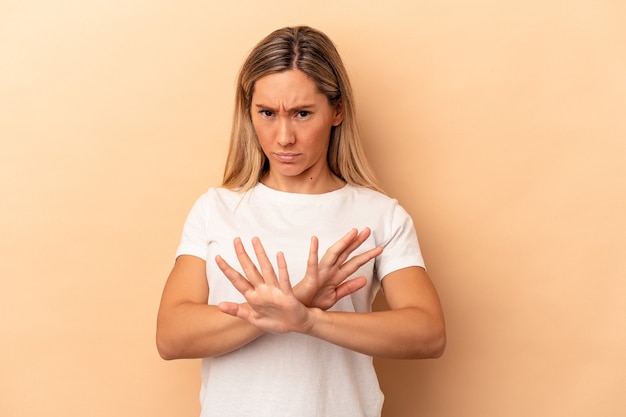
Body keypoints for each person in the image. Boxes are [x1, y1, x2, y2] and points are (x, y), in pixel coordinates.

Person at [156, 25, 446, 417]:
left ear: (337, 111)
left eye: (302, 113)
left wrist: (309, 320)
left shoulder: (380, 214)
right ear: (249, 112)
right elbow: (171, 336)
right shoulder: (216, 209)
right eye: (267, 114)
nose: (284, 136)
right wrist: (280, 308)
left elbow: (428, 333)